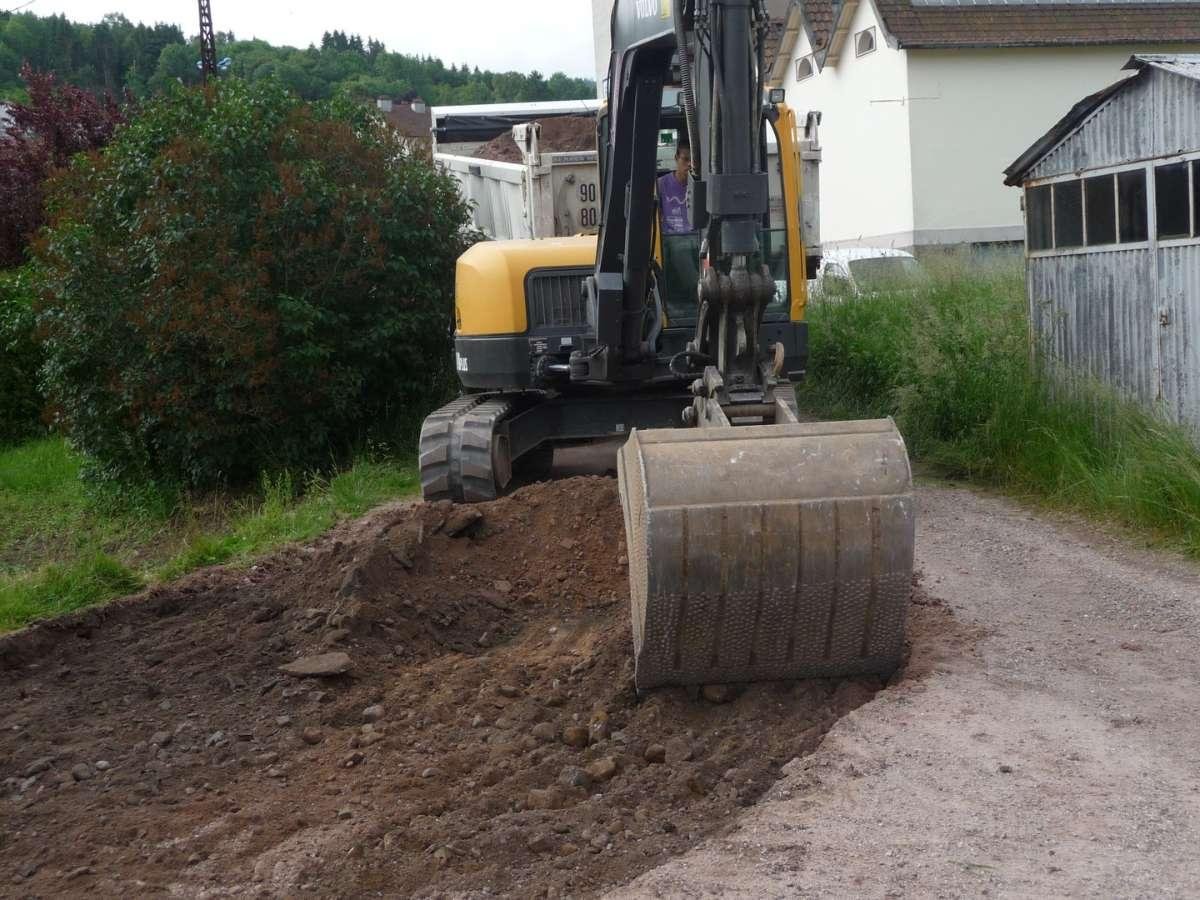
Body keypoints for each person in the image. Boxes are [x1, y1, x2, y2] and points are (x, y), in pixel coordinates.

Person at [657, 141, 691, 235]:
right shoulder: (661, 184)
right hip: (669, 241)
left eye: (693, 160)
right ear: (676, 158)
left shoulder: (701, 186)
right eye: (685, 159)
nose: (690, 164)